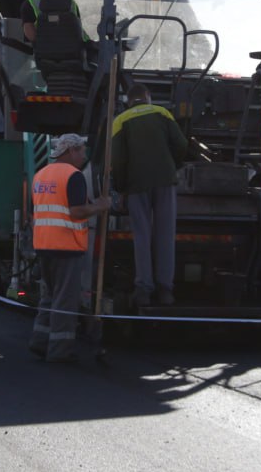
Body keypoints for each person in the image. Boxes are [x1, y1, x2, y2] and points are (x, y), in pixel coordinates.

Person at [29, 133, 111, 363]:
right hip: (66, 245)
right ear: (70, 151)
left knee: (50, 296)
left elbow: (34, 211)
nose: (84, 155)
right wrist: (99, 206)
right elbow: (76, 212)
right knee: (65, 300)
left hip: (44, 244)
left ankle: (39, 340)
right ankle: (59, 351)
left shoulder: (41, 174)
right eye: (81, 151)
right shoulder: (73, 176)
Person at [110, 82, 187, 306]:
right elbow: (182, 144)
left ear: (128, 100)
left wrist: (121, 189)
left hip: (136, 185)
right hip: (165, 181)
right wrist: (172, 165)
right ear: (148, 97)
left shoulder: (120, 121)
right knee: (165, 234)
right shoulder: (162, 113)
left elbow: (118, 161)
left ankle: (143, 289)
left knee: (142, 236)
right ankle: (165, 291)